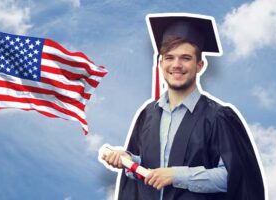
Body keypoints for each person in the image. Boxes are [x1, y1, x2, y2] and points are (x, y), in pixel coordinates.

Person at [102, 13, 265, 200]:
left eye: (185, 58)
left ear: (200, 65)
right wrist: (129, 161)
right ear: (161, 63)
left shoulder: (219, 117)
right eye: (169, 57)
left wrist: (176, 175)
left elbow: (235, 177)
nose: (176, 65)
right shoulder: (147, 115)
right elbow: (147, 172)